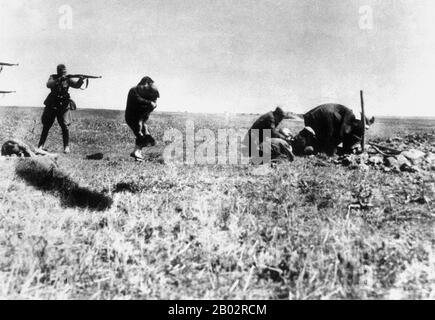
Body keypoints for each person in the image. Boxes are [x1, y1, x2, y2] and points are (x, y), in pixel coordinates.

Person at [37, 64, 84, 154]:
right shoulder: (53, 77)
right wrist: (59, 79)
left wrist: (81, 80)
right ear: (58, 72)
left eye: (65, 72)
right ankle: (40, 146)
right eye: (62, 72)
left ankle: (66, 147)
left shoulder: (68, 79)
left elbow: (77, 85)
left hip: (63, 105)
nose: (64, 74)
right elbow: (48, 84)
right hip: (52, 104)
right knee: (46, 126)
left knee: (64, 126)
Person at [125, 76, 160, 161]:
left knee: (147, 138)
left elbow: (153, 103)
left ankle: (137, 153)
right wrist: (150, 103)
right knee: (141, 135)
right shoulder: (133, 90)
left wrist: (152, 104)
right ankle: (136, 153)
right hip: (132, 118)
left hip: (141, 119)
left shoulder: (148, 92)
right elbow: (138, 100)